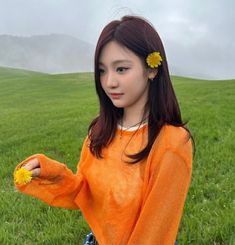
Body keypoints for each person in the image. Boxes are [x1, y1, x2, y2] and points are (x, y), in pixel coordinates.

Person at [14, 15, 194, 245]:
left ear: (152, 69)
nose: (109, 82)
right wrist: (49, 172)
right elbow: (83, 192)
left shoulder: (172, 143)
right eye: (102, 70)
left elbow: (154, 235)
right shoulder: (100, 131)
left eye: (121, 69)